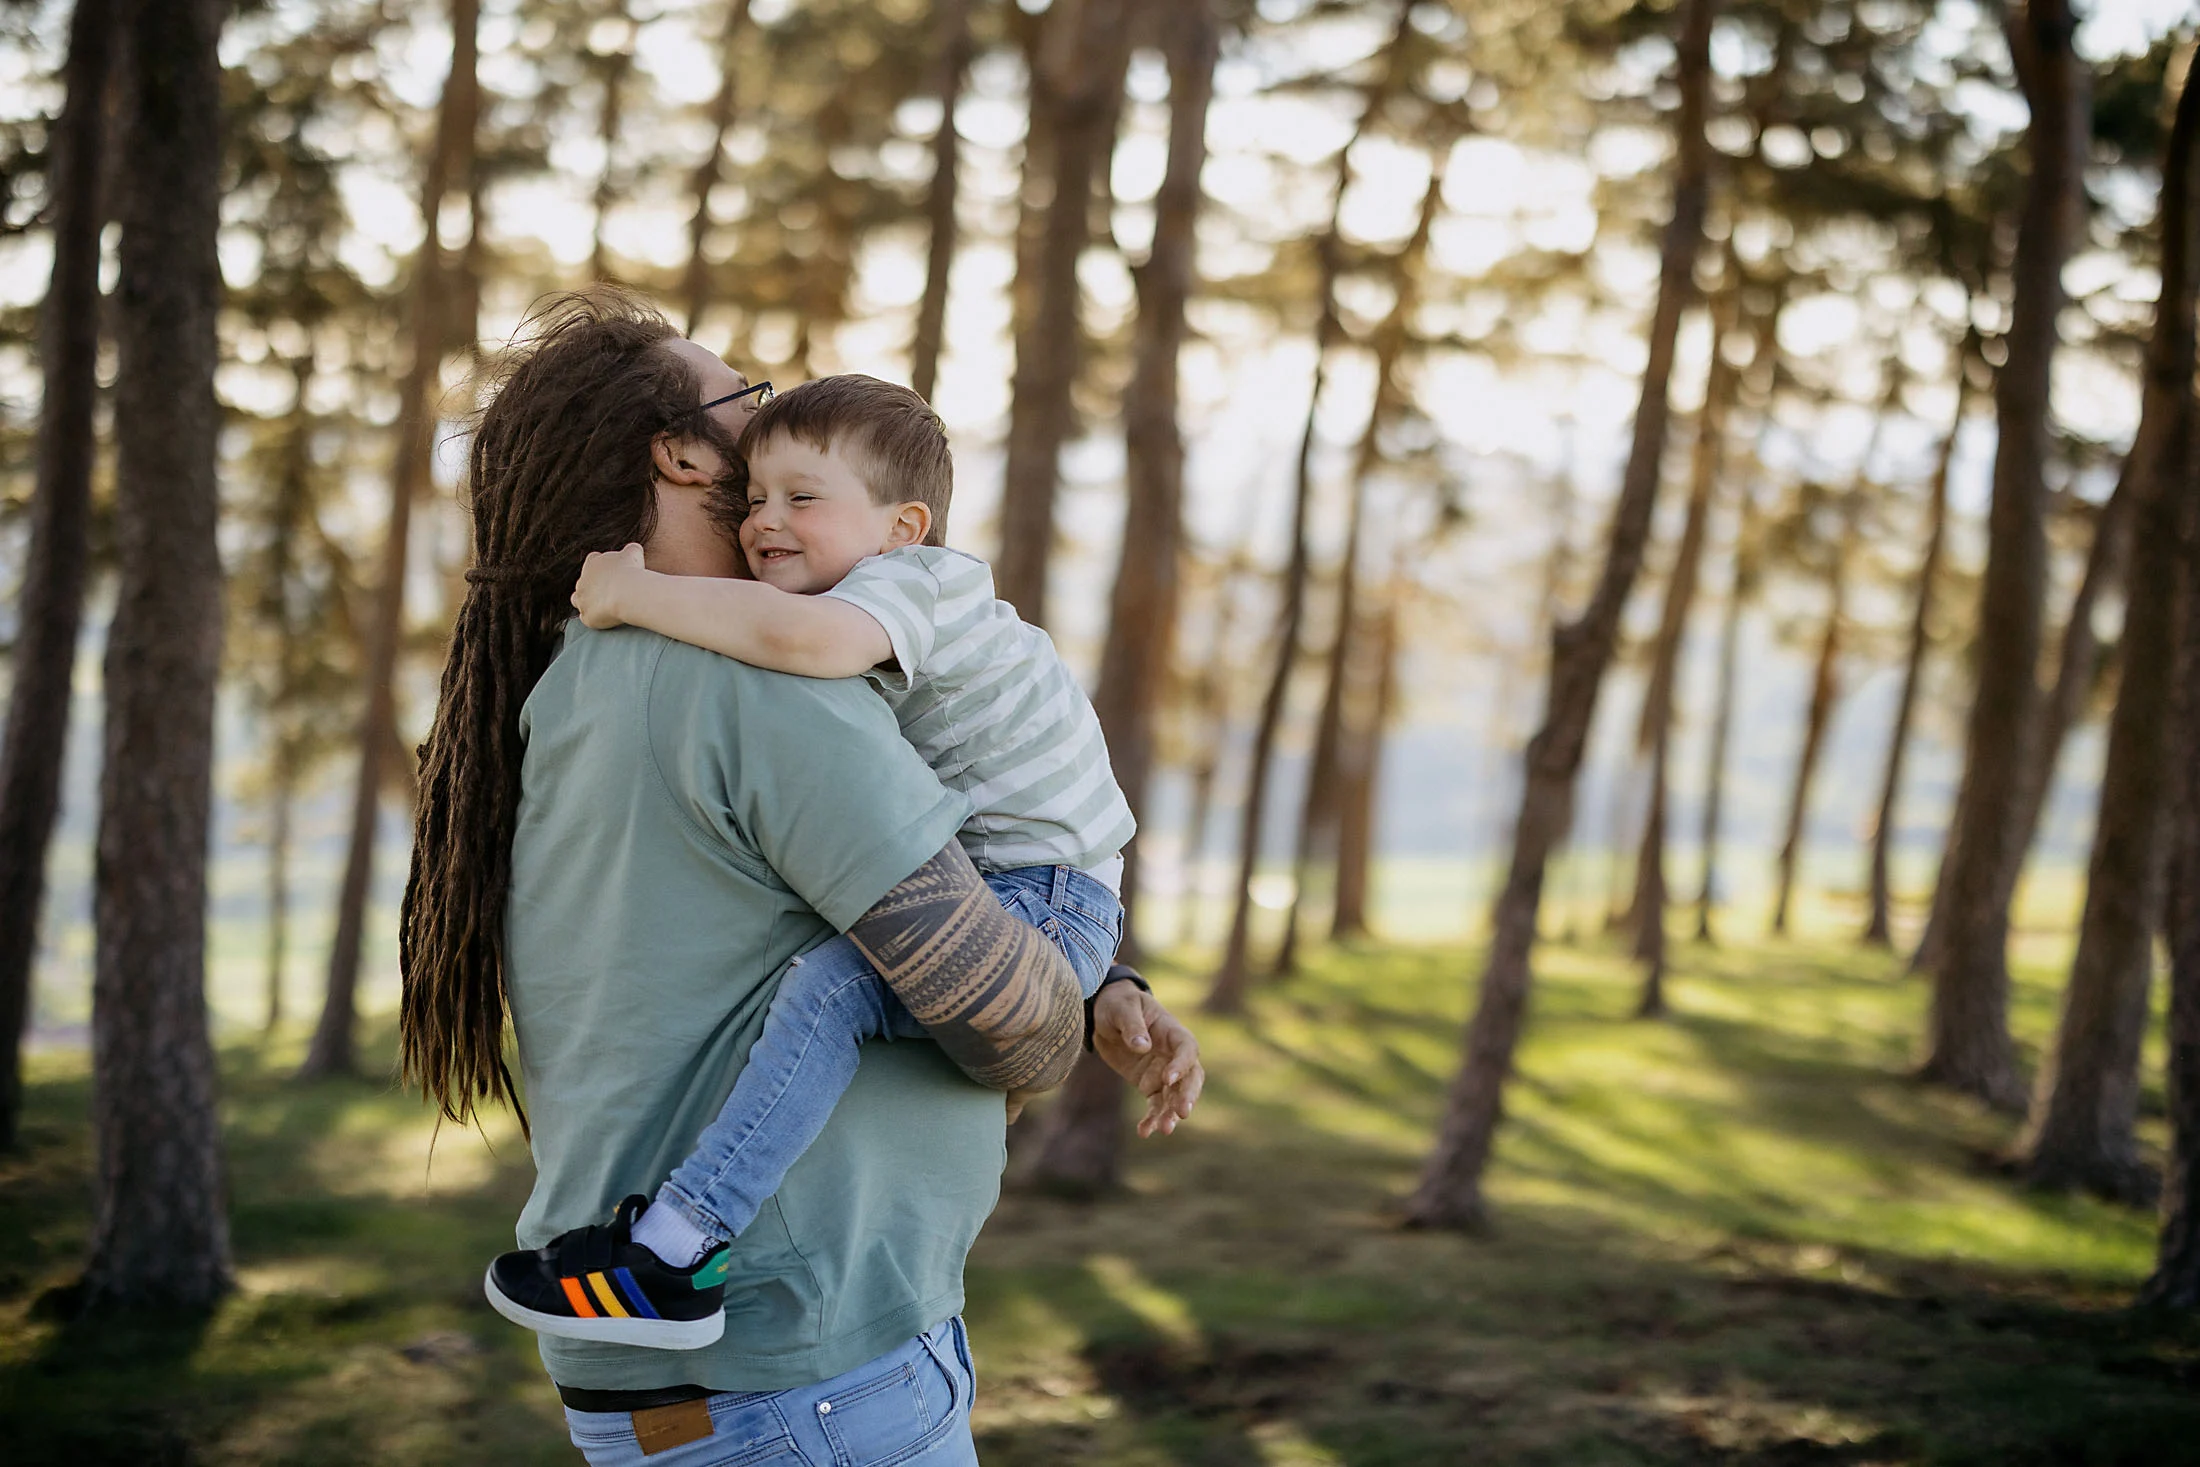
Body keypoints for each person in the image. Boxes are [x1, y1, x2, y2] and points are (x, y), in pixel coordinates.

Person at [398, 289, 1204, 1466]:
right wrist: (1064, 990)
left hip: (699, 1398)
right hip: (803, 1388)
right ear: (680, 454)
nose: (772, 432)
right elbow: (1013, 1034)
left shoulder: (579, 676)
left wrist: (1094, 977)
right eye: (748, 403)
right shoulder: (756, 689)